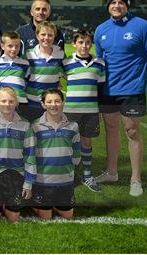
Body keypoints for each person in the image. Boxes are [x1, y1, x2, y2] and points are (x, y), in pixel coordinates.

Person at [94, 0, 147, 197]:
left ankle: (135, 179)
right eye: (113, 3)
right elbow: (100, 60)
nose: (117, 6)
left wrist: (140, 76)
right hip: (108, 88)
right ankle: (112, 172)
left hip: (132, 89)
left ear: (127, 5)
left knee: (132, 131)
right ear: (108, 6)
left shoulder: (142, 26)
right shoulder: (101, 30)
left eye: (121, 2)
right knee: (111, 128)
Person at [0, 87, 36, 223]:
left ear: (16, 103)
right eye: (3, 101)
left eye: (11, 101)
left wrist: (28, 183)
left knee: (14, 219)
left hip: (16, 174)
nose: (7, 104)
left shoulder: (25, 125)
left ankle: (6, 206)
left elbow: (30, 155)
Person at [62, 30, 106, 192]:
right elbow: (59, 79)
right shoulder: (66, 63)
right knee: (70, 142)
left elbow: (101, 89)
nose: (84, 46)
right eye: (81, 42)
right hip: (71, 111)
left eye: (88, 42)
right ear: (74, 44)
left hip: (91, 111)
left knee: (87, 142)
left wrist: (100, 110)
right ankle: (70, 174)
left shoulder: (99, 64)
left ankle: (87, 175)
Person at [31, 89, 80, 220]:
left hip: (65, 180)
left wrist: (72, 166)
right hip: (43, 180)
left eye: (57, 101)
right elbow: (30, 153)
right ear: (43, 104)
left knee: (68, 216)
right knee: (45, 217)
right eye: (49, 101)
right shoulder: (35, 126)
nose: (54, 105)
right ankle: (36, 204)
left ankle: (54, 205)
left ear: (63, 103)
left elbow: (76, 151)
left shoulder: (73, 126)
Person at [24, 21, 65, 122]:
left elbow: (68, 72)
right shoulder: (29, 54)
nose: (46, 38)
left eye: (50, 35)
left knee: (49, 135)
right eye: (43, 34)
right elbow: (20, 76)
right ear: (37, 36)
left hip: (51, 105)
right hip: (32, 103)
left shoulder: (60, 53)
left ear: (54, 36)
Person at [0, 31, 30, 119]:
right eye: (10, 46)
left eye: (17, 46)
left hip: (21, 102)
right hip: (2, 103)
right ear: (2, 46)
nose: (14, 49)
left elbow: (28, 81)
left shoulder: (25, 64)